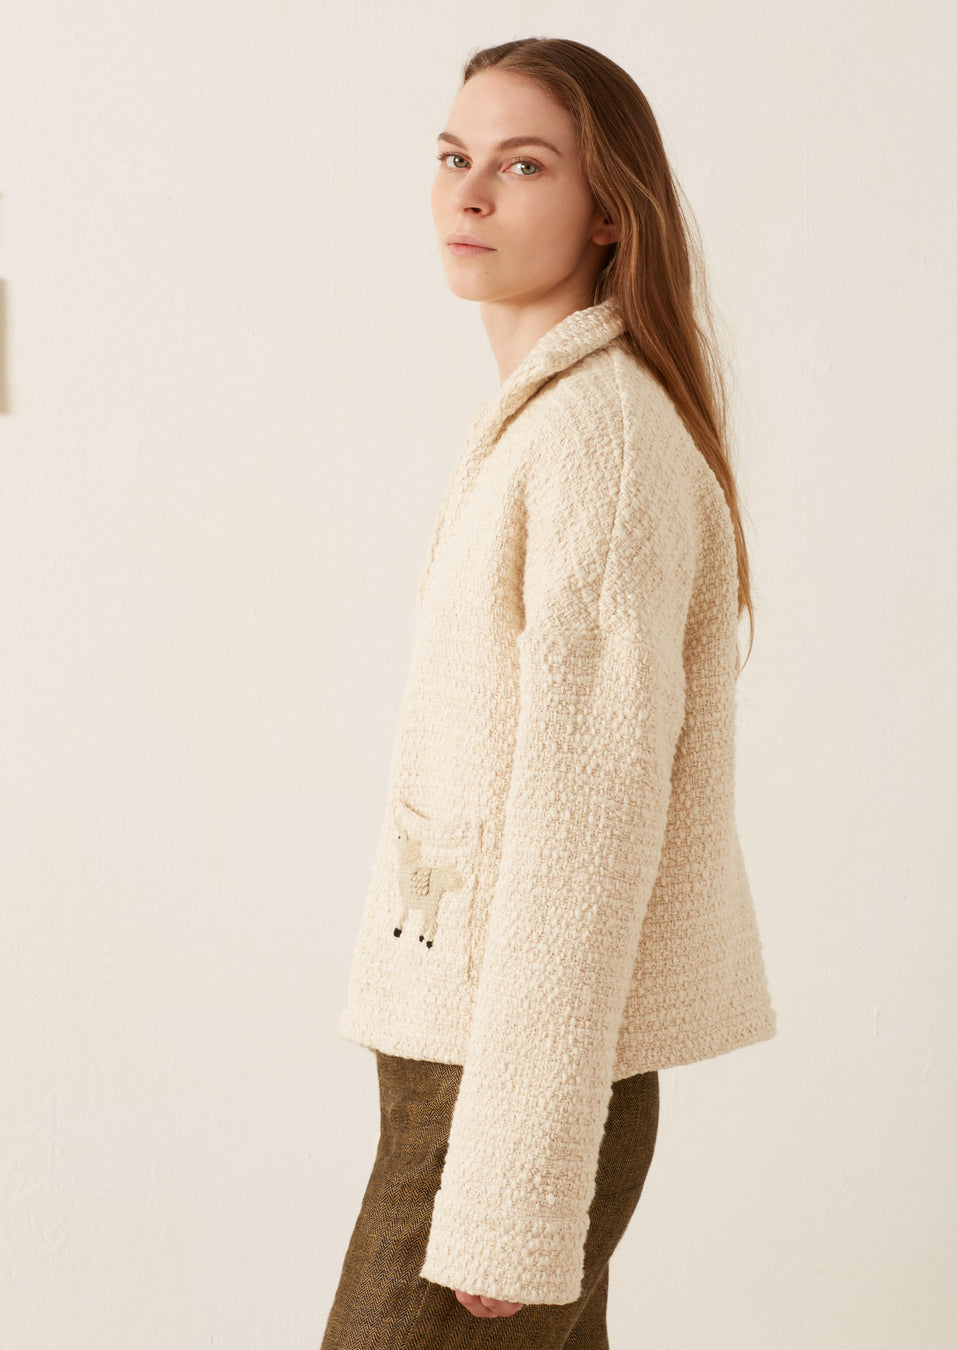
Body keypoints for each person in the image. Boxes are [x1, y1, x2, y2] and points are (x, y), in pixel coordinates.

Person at [321, 36, 777, 1348]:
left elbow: (586, 838)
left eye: (521, 165)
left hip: (501, 1092)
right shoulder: (554, 420)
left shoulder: (602, 445)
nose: (469, 194)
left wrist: (512, 1187)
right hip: (475, 1068)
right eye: (455, 158)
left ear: (608, 212)